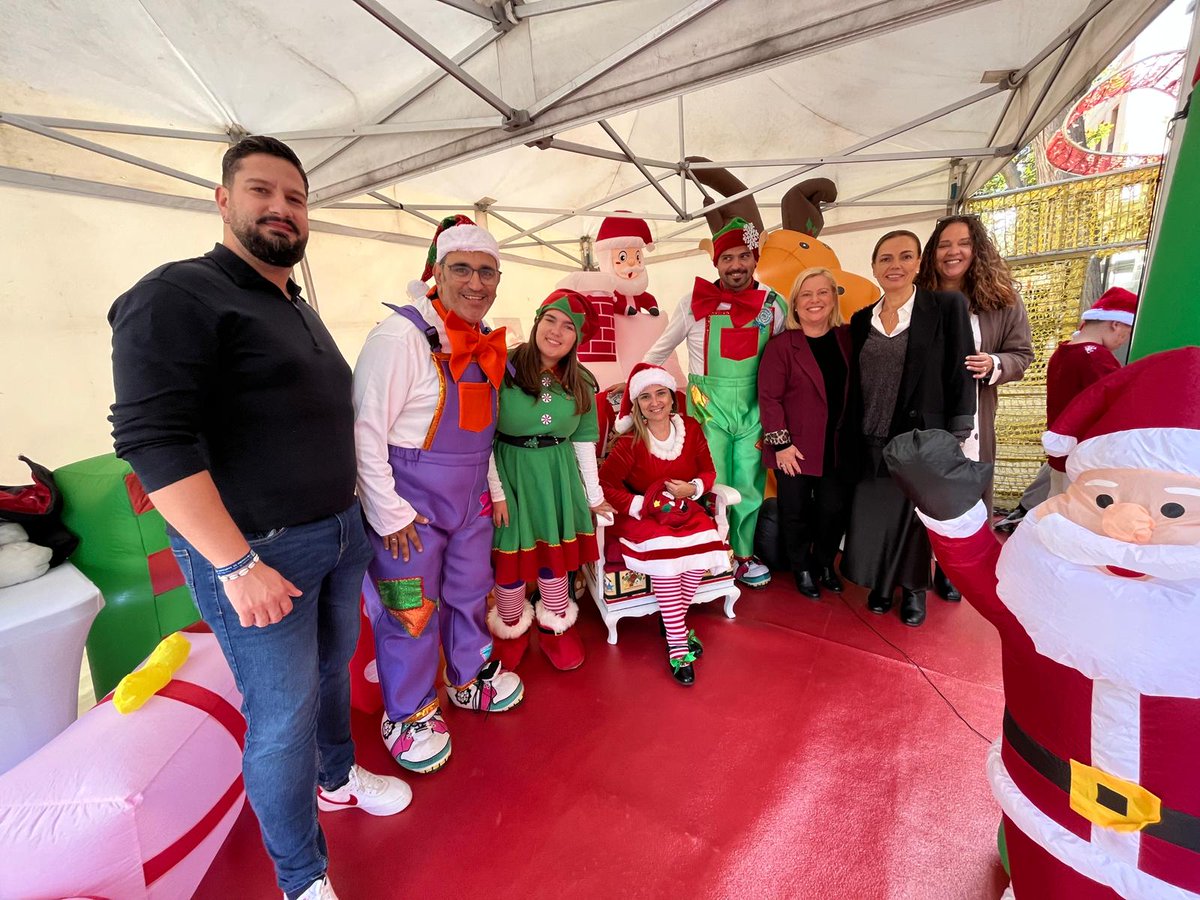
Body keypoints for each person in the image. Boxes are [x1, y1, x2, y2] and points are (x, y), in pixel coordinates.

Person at [109, 135, 409, 900]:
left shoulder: (290, 304)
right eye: (261, 192)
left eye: (296, 198)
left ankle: (336, 780)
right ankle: (300, 876)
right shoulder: (175, 296)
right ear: (221, 199)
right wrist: (235, 566)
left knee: (332, 675)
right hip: (264, 555)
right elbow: (152, 441)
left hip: (340, 535)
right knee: (282, 716)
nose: (281, 208)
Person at [885, 346, 1200, 898]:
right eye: (1105, 496)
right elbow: (993, 584)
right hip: (1044, 811)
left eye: (1174, 507)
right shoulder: (1049, 579)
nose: (1133, 521)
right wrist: (952, 509)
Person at [353, 215, 524, 777]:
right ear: (435, 273)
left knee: (470, 593)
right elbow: (364, 432)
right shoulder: (399, 337)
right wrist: (387, 512)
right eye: (462, 270)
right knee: (411, 609)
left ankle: (469, 676)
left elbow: (482, 433)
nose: (475, 283)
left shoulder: (482, 343)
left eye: (486, 272)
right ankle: (407, 713)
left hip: (472, 502)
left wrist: (493, 488)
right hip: (412, 509)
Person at [840, 230, 975, 627]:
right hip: (869, 432)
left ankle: (915, 590)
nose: (894, 265)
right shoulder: (862, 319)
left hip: (921, 434)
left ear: (919, 263)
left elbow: (960, 369)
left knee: (916, 519)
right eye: (885, 258)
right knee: (879, 515)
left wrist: (958, 429)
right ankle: (883, 584)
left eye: (904, 257)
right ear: (874, 267)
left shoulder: (946, 306)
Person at [644, 216, 786, 588]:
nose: (736, 265)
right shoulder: (693, 303)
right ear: (716, 263)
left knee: (751, 485)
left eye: (743, 256)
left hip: (755, 407)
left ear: (755, 259)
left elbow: (789, 357)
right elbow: (657, 352)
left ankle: (742, 554)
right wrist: (636, 392)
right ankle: (710, 553)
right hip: (707, 408)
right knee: (709, 480)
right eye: (727, 258)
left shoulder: (775, 304)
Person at [487, 289, 613, 672]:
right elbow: (479, 435)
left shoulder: (581, 382)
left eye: (568, 327)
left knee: (553, 556)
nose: (556, 332)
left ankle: (556, 626)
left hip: (557, 477)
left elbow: (585, 441)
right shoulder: (500, 366)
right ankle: (510, 627)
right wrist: (496, 492)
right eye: (550, 320)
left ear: (578, 338)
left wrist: (593, 496)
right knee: (509, 557)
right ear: (538, 320)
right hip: (508, 474)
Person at [917, 214, 1033, 600]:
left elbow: (1022, 354)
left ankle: (955, 571)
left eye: (962, 243)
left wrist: (994, 364)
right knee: (920, 490)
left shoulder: (1001, 301)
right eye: (944, 245)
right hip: (924, 414)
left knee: (964, 494)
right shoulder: (917, 299)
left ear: (976, 249)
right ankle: (915, 570)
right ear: (933, 253)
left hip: (973, 416)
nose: (953, 252)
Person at [599, 363, 730, 685]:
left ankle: (674, 622)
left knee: (702, 552)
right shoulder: (630, 442)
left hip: (686, 510)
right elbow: (605, 484)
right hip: (645, 517)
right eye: (645, 397)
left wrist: (694, 489)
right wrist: (639, 503)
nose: (654, 402)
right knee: (667, 556)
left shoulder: (691, 428)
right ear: (637, 405)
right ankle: (677, 645)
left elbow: (709, 471)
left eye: (660, 393)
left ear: (672, 397)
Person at [757, 266, 852, 599]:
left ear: (833, 297)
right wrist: (781, 444)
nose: (815, 300)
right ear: (795, 304)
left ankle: (825, 563)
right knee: (794, 511)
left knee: (834, 510)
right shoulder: (782, 346)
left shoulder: (848, 337)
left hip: (838, 446)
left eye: (822, 292)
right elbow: (769, 398)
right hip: (794, 448)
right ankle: (802, 568)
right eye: (806, 294)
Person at [1042, 286, 1139, 496]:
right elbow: (1116, 402)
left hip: (1062, 451)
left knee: (1057, 502)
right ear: (1115, 324)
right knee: (1081, 511)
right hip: (1086, 455)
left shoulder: (1063, 351)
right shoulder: (1096, 357)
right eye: (1127, 332)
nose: (1124, 340)